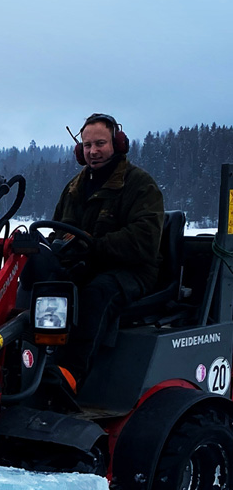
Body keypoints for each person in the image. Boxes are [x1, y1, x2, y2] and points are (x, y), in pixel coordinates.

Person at [20, 113, 165, 393]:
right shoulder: (75, 188)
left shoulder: (139, 185)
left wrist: (92, 245)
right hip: (84, 263)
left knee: (97, 293)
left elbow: (144, 240)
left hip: (133, 270)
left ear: (117, 144)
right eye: (87, 146)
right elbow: (59, 229)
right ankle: (22, 358)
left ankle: (70, 374)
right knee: (40, 277)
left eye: (100, 144)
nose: (93, 151)